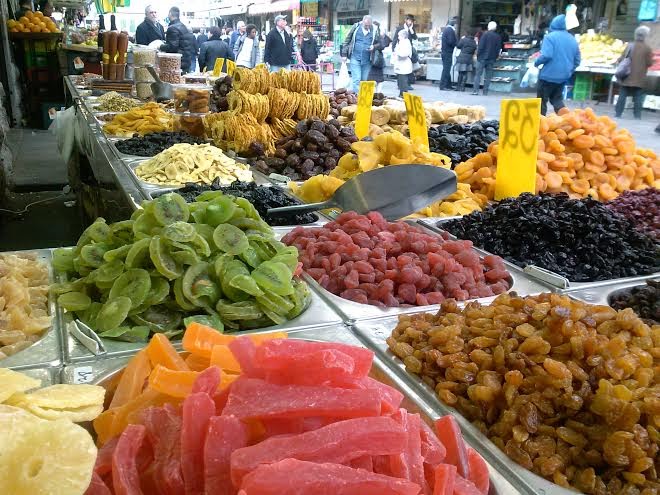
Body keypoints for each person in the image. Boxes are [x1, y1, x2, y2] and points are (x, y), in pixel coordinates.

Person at [533, 14, 581, 115]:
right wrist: (569, 70)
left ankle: (541, 122)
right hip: (563, 77)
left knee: (541, 102)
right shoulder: (572, 39)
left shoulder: (549, 37)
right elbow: (577, 60)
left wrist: (536, 62)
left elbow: (546, 55)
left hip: (547, 76)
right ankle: (567, 119)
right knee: (557, 100)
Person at [615, 25, 653, 119]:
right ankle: (637, 116)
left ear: (636, 35)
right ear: (645, 36)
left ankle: (618, 114)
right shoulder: (647, 48)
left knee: (623, 94)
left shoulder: (630, 45)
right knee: (638, 96)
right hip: (639, 77)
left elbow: (622, 58)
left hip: (627, 75)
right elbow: (649, 63)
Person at [341, 15, 377, 93]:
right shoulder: (356, 27)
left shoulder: (375, 29)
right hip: (355, 57)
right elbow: (347, 40)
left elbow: (381, 43)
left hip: (367, 59)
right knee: (356, 79)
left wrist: (374, 46)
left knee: (364, 80)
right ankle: (357, 97)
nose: (367, 27)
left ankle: (363, 97)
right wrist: (344, 54)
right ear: (362, 22)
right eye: (366, 25)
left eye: (369, 25)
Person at [161, 7, 197, 73]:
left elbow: (172, 47)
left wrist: (160, 46)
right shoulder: (184, 26)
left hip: (177, 63)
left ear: (170, 14)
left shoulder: (172, 28)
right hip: (186, 62)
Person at [472, 21, 502, 95]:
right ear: (495, 28)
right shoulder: (498, 36)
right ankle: (485, 92)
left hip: (482, 58)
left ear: (488, 27)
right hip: (491, 59)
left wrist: (478, 55)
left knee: (478, 75)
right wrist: (495, 57)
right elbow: (498, 48)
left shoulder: (485, 35)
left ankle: (475, 91)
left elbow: (481, 46)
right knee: (488, 76)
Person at [392, 14, 418, 87]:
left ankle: (407, 84)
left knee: (408, 68)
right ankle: (400, 84)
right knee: (400, 68)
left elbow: (415, 37)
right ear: (406, 20)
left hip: (408, 50)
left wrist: (411, 30)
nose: (410, 22)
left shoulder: (412, 29)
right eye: (409, 20)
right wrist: (393, 50)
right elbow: (395, 39)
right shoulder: (400, 28)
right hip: (401, 49)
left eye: (411, 21)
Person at [368, 24, 391, 93]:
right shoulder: (374, 35)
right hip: (376, 60)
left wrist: (374, 47)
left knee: (375, 78)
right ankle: (376, 93)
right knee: (375, 78)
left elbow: (383, 45)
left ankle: (376, 93)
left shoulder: (378, 36)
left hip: (376, 60)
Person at [393, 29, 413, 97]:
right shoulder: (402, 42)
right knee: (401, 81)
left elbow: (404, 54)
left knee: (403, 81)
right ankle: (402, 94)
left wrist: (397, 52)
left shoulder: (405, 43)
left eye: (399, 36)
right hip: (401, 65)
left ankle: (403, 95)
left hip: (403, 65)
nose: (398, 37)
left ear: (403, 36)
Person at [440, 16, 458, 90]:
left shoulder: (447, 30)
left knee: (447, 69)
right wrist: (457, 44)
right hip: (448, 52)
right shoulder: (450, 30)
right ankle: (443, 85)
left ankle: (448, 85)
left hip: (445, 52)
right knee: (446, 69)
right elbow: (451, 41)